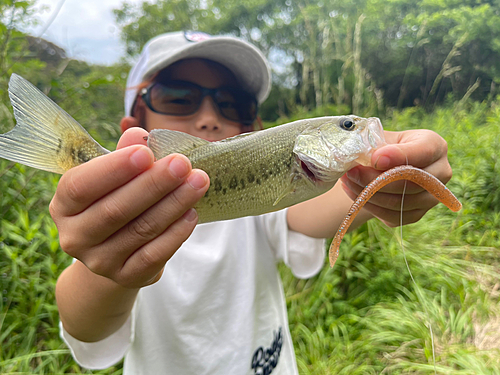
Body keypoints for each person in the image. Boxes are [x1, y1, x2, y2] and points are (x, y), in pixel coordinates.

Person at [53, 31, 452, 374]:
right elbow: (84, 325)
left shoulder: (276, 203)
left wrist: (391, 175)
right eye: (178, 97)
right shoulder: (115, 227)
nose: (209, 117)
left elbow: (317, 210)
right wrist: (110, 258)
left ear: (253, 129)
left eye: (232, 103)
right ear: (134, 128)